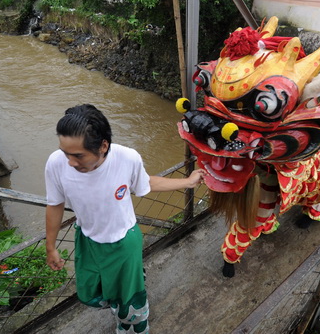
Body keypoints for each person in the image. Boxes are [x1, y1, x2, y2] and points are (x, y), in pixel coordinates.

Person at [45, 104, 205, 334]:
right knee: (91, 292)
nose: (70, 162)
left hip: (123, 242)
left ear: (103, 146)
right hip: (88, 240)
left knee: (129, 302)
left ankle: (133, 326)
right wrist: (51, 246)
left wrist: (188, 182)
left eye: (78, 155)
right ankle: (123, 292)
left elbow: (145, 183)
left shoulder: (127, 158)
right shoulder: (55, 163)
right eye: (65, 152)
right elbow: (55, 204)